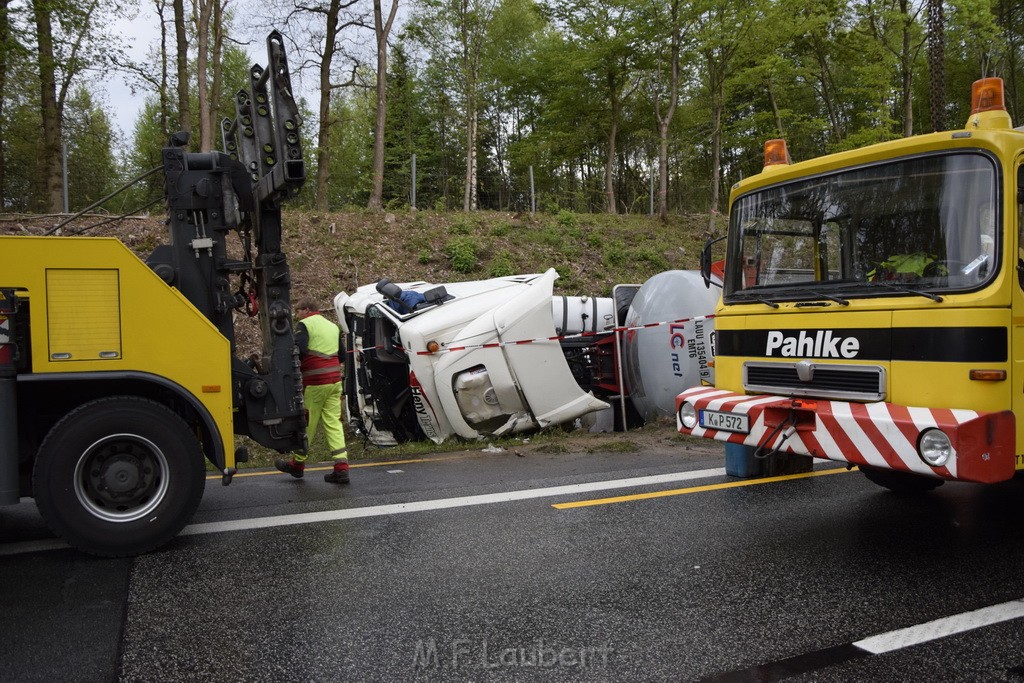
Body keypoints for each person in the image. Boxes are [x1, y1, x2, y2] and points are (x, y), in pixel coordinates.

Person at [276, 298, 350, 484]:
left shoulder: (305, 324)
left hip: (316, 383)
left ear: (307, 310)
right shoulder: (333, 326)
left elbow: (298, 350)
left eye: (298, 310)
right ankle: (342, 468)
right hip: (334, 382)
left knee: (306, 424)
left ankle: (297, 465)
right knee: (333, 423)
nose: (296, 314)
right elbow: (341, 355)